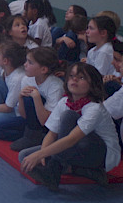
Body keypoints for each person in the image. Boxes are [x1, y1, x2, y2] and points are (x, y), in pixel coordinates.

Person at [19, 62, 120, 191]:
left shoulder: (95, 108)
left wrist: (40, 155)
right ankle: (81, 170)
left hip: (99, 153)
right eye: (71, 76)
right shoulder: (64, 101)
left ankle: (54, 171)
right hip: (73, 148)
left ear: (92, 84)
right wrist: (43, 155)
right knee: (24, 156)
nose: (74, 79)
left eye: (81, 77)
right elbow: (52, 133)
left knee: (69, 116)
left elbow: (71, 139)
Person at [10, 47, 64, 151]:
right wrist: (20, 97)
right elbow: (24, 115)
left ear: (43, 69)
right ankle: (30, 136)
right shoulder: (27, 79)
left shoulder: (56, 86)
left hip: (47, 127)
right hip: (30, 122)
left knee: (30, 99)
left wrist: (36, 97)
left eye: (30, 63)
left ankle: (35, 137)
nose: (25, 64)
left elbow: (45, 121)